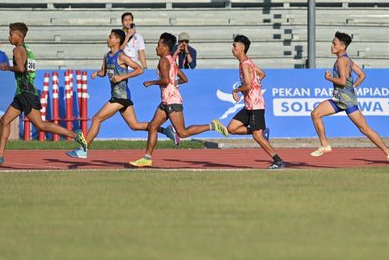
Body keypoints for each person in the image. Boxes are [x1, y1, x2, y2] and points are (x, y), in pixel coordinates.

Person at [0, 23, 88, 166]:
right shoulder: (28, 50)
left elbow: (21, 69)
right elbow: (28, 69)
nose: (9, 37)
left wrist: (6, 67)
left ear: (19, 36)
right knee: (4, 121)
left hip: (26, 93)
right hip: (23, 92)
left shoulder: (17, 50)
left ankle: (76, 135)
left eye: (11, 34)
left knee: (41, 126)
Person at [66, 29, 179, 159]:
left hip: (121, 97)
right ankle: (166, 131)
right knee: (135, 126)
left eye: (110, 37)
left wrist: (121, 77)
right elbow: (104, 72)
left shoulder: (121, 56)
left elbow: (139, 69)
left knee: (97, 118)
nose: (108, 39)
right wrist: (98, 73)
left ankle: (83, 149)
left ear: (117, 41)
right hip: (119, 97)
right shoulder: (107, 56)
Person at [129, 32, 229, 168]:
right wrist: (173, 83)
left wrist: (151, 83)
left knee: (182, 132)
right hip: (166, 101)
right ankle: (147, 158)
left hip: (172, 101)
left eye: (158, 44)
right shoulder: (171, 60)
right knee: (152, 126)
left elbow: (165, 80)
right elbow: (184, 79)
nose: (156, 47)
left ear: (165, 47)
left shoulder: (164, 61)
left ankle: (212, 125)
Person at [309, 31, 389, 167]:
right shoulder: (347, 59)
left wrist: (329, 78)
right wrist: (353, 87)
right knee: (315, 114)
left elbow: (343, 81)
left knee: (365, 129)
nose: (331, 46)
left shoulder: (341, 60)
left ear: (342, 46)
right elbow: (362, 75)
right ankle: (324, 145)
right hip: (340, 99)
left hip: (347, 101)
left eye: (334, 43)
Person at [226, 35, 284, 169]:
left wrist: (235, 91)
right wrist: (257, 83)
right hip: (249, 106)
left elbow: (247, 86)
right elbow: (262, 74)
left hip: (255, 106)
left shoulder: (245, 65)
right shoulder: (245, 62)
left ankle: (278, 160)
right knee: (231, 128)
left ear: (242, 48)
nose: (232, 49)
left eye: (234, 46)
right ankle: (260, 131)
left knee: (257, 137)